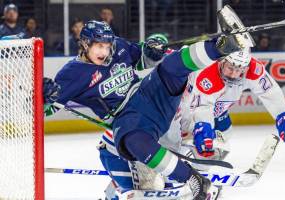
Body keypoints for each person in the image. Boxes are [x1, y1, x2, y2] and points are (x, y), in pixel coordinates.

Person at [43, 19, 244, 200]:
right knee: (132, 140)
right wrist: (43, 97)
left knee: (170, 65)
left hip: (149, 93)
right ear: (85, 44)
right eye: (99, 46)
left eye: (107, 45)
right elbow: (47, 110)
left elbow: (145, 58)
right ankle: (193, 179)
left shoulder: (118, 47)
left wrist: (153, 47)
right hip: (128, 117)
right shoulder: (71, 74)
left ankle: (223, 46)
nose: (104, 52)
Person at [175, 49, 285, 165]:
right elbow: (202, 106)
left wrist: (283, 115)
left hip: (217, 111)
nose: (234, 74)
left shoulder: (253, 69)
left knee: (223, 139)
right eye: (230, 68)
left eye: (239, 70)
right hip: (187, 112)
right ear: (222, 61)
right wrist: (203, 126)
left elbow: (269, 91)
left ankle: (197, 171)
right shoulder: (208, 73)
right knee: (189, 142)